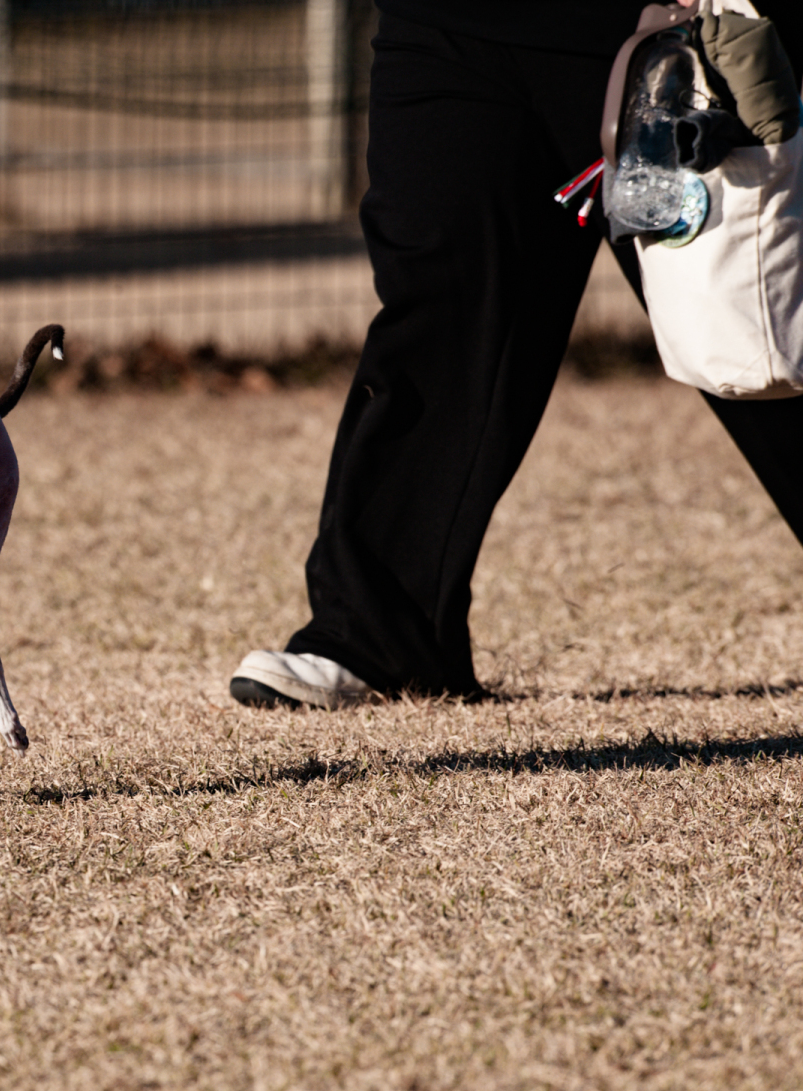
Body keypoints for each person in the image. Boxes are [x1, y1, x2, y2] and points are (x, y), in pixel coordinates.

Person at [230, 0, 803, 709]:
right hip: (449, 23)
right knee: (441, 308)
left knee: (759, 321)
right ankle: (378, 639)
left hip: (669, 23)